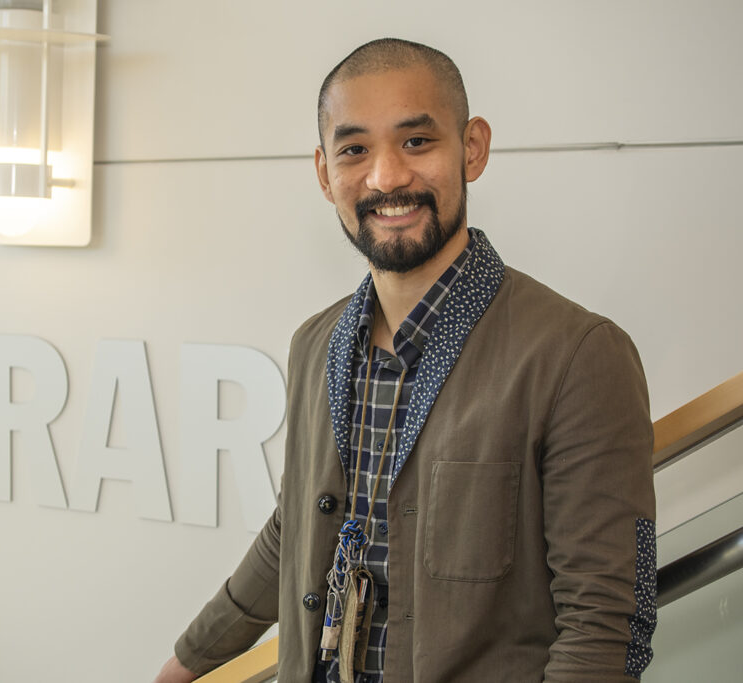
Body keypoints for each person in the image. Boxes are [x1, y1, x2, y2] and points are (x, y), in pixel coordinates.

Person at [154, 38, 656, 683]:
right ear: (323, 171)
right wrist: (184, 663)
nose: (386, 177)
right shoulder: (317, 342)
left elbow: (607, 625)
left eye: (417, 142)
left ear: (471, 147)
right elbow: (296, 530)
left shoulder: (577, 355)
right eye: (354, 149)